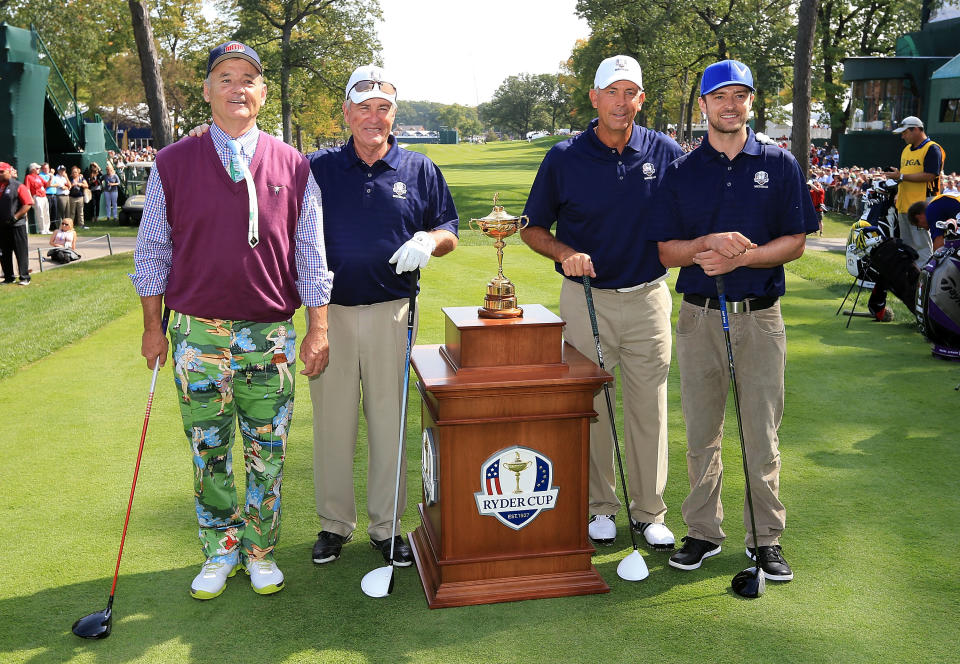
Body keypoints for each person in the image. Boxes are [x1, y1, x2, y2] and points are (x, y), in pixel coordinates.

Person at [131, 40, 333, 600]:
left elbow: (310, 255)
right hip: (196, 332)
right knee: (208, 449)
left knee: (267, 450)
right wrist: (153, 326)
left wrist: (318, 328)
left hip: (268, 335)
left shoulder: (294, 165)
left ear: (263, 93)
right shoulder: (172, 163)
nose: (237, 87)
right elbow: (152, 253)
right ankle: (219, 549)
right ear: (207, 90)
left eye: (248, 78)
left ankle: (261, 550)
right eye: (225, 77)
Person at [650, 60, 819, 581]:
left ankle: (764, 538)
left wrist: (743, 258)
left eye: (739, 96)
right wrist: (707, 246)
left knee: (761, 432)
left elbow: (796, 239)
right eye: (719, 96)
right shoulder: (680, 171)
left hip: (760, 318)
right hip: (700, 317)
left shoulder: (780, 163)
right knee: (703, 432)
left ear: (751, 103)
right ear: (703, 105)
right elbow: (665, 251)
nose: (730, 105)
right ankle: (703, 530)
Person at [521, 55, 682, 551]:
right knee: (590, 406)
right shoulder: (564, 156)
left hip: (648, 298)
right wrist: (564, 252)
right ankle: (599, 507)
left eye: (630, 91)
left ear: (641, 99)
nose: (621, 101)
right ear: (594, 98)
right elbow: (530, 227)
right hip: (584, 297)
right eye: (611, 91)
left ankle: (649, 511)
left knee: (648, 407)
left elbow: (692, 212)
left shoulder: (666, 150)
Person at [307, 64, 458, 567]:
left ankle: (387, 526)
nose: (374, 118)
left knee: (388, 422)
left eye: (384, 109)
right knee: (333, 423)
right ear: (346, 113)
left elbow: (449, 230)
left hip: (393, 311)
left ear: (394, 114)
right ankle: (334, 523)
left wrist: (430, 240)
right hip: (330, 314)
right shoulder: (318, 168)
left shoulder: (419, 168)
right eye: (364, 108)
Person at [885, 116, 945, 267]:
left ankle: (924, 281)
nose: (902, 136)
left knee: (922, 244)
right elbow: (905, 175)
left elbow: (931, 174)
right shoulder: (906, 149)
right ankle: (911, 281)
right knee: (908, 245)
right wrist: (899, 188)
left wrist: (902, 176)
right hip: (905, 203)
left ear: (916, 129)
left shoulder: (932, 148)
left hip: (923, 204)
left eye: (905, 132)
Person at [0, 161, 34, 285]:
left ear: (9, 171)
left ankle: (24, 277)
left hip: (16, 225)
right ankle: (9, 277)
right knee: (4, 253)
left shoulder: (19, 186)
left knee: (20, 251)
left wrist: (15, 217)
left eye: (1, 172)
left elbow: (28, 203)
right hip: (2, 226)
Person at [24, 163, 51, 235]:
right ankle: (41, 229)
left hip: (44, 196)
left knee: (46, 213)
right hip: (36, 196)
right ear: (33, 169)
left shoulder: (39, 177)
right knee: (40, 213)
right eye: (37, 168)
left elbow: (47, 185)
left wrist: (51, 178)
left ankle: (47, 229)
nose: (39, 170)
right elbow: (27, 188)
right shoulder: (28, 177)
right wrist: (30, 198)